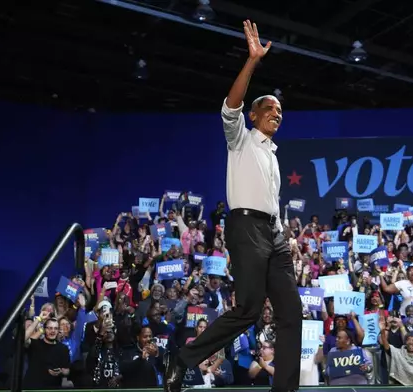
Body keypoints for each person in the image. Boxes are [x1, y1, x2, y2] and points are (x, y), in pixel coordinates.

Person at [164, 20, 302, 392]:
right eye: (270, 108)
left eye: (280, 111)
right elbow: (231, 104)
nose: (277, 113)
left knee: (292, 313)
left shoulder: (273, 155)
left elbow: (271, 204)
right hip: (245, 230)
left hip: (274, 234)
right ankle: (184, 358)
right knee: (248, 310)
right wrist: (253, 61)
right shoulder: (239, 138)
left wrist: (284, 234)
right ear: (253, 115)